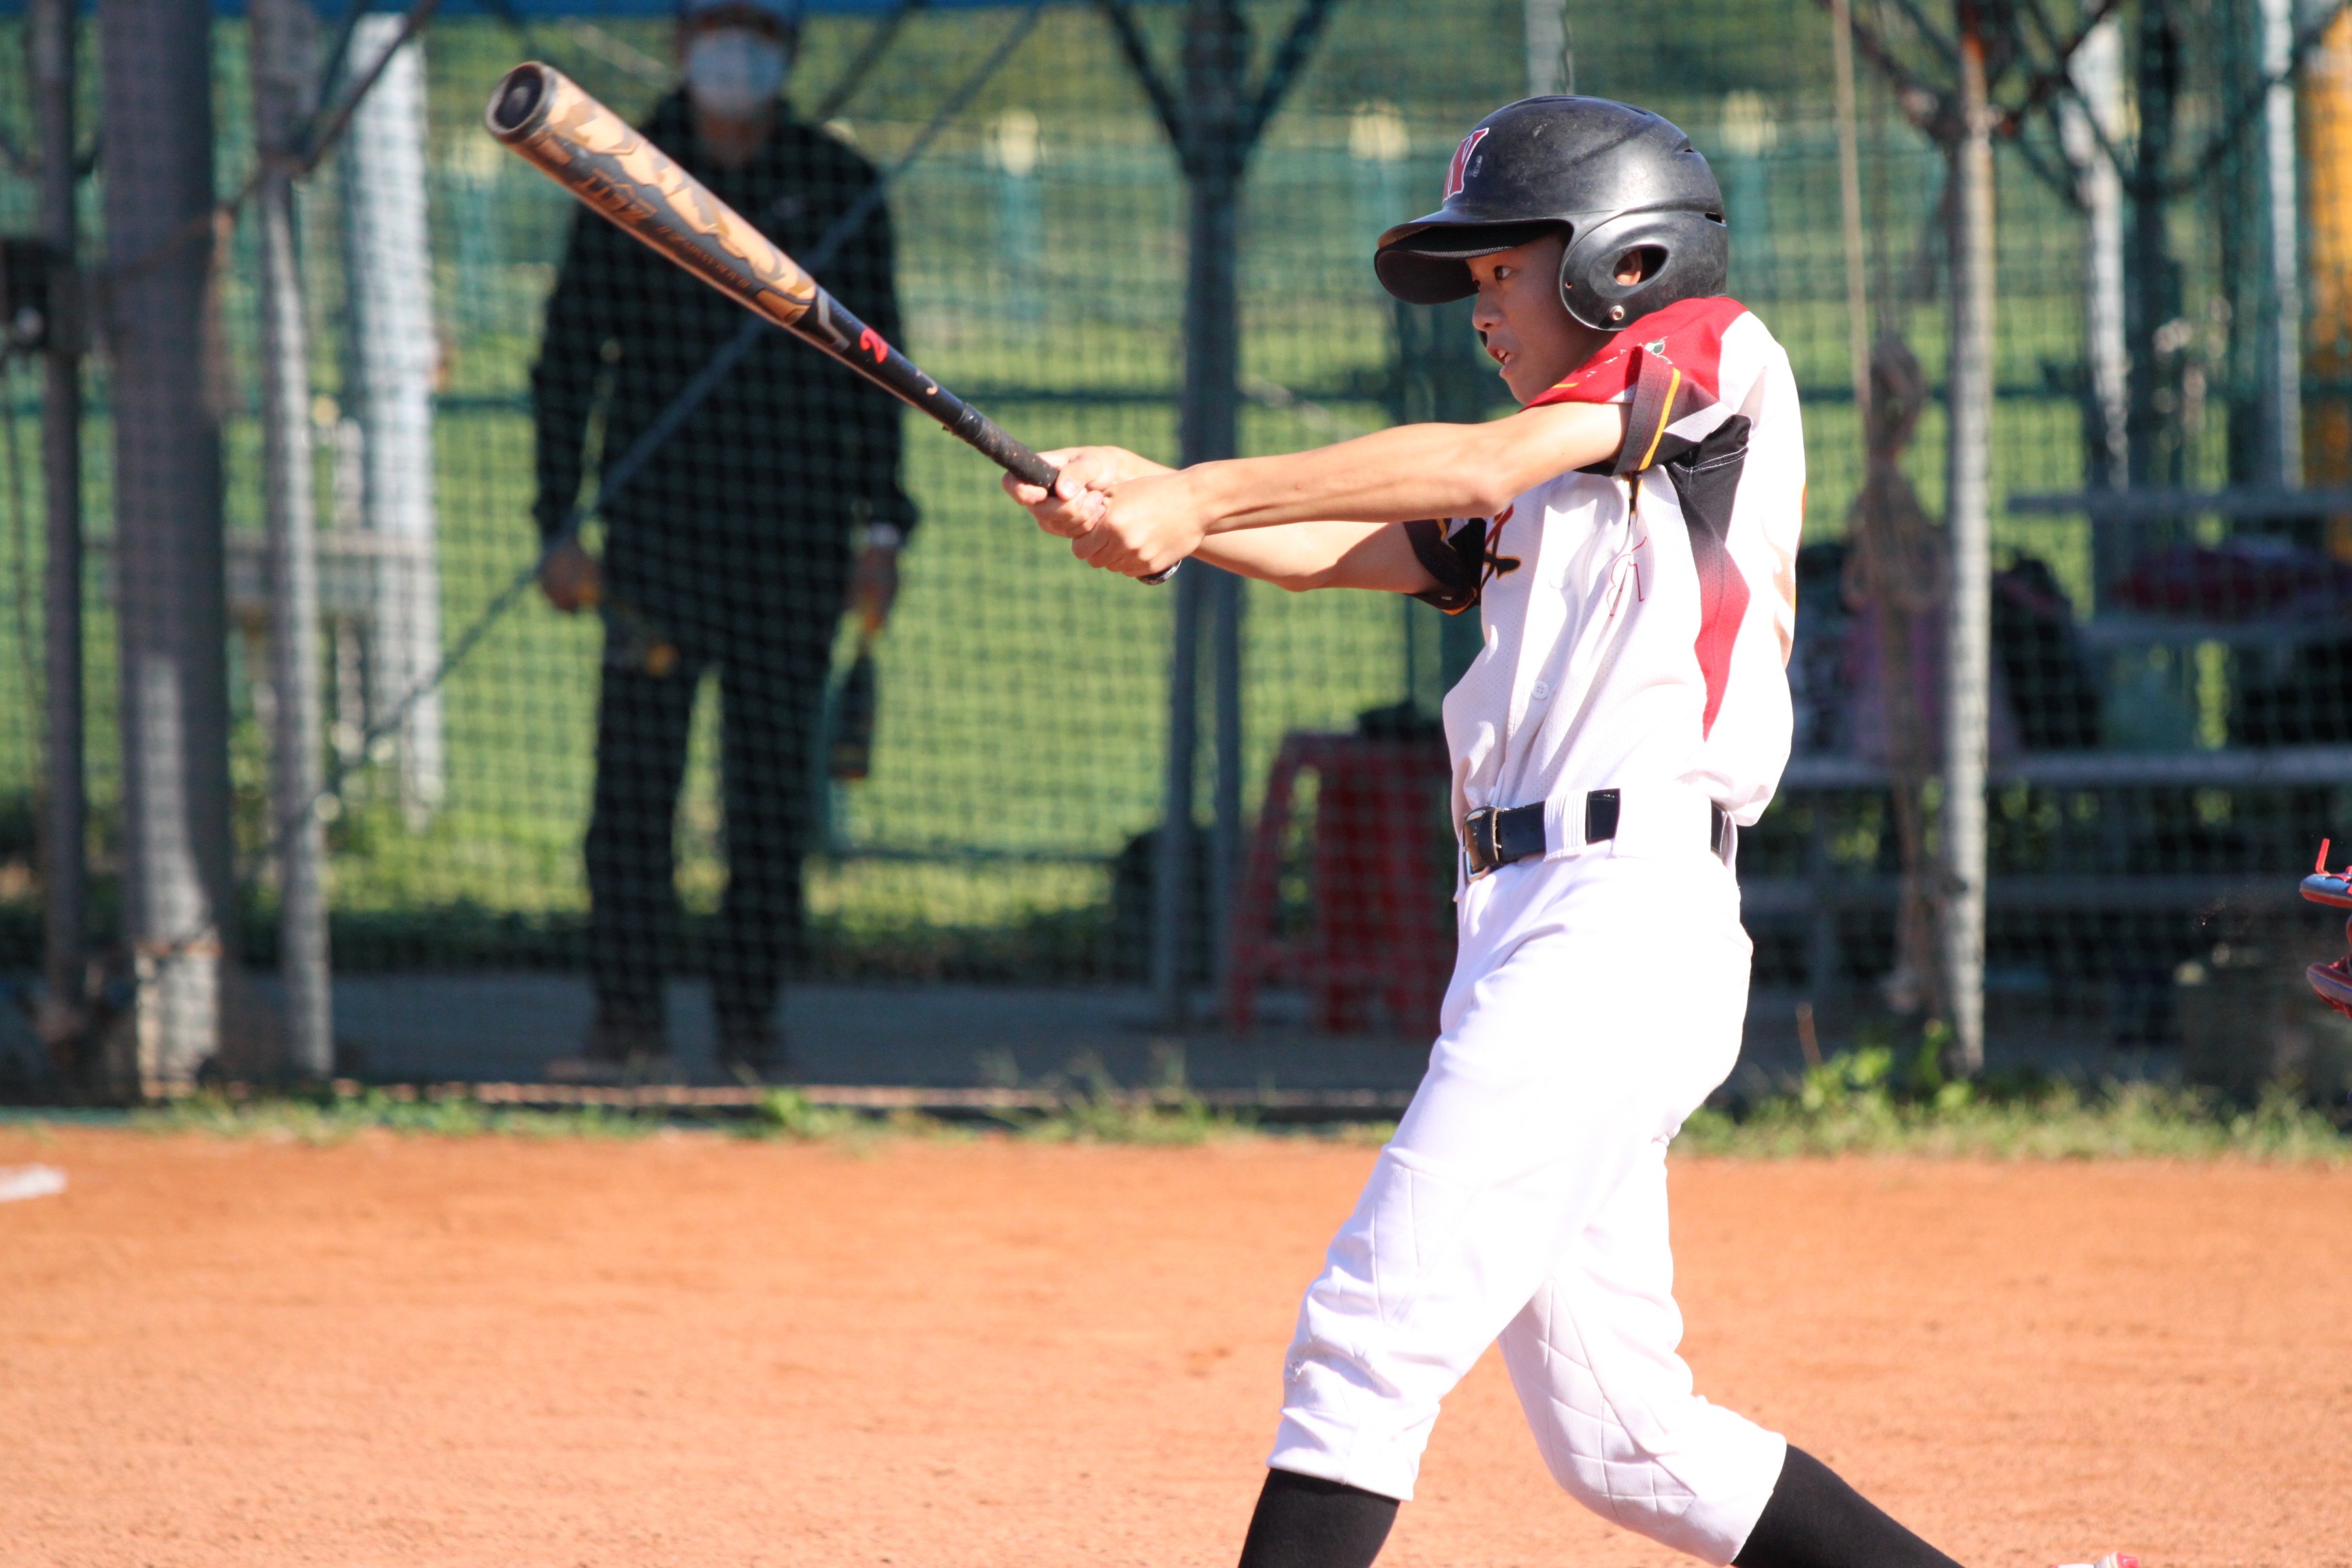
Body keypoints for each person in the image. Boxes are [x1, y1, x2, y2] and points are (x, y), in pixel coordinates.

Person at [1006, 97, 2130, 1568]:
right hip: (1531, 922)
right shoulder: (1566, 476)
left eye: (1504, 272)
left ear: (1626, 257)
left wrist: (1198, 489)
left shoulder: (1709, 353)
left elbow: (1475, 465)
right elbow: (1353, 546)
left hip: (1621, 917)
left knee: (1368, 1337)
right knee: (1626, 1443)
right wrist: (1152, 514)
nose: (1482, 309)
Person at [532, 0, 913, 1081]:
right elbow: (567, 358)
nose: (734, 49)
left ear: (789, 46)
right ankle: (627, 1022)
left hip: (797, 543)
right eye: (715, 23)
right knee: (632, 788)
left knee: (771, 796)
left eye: (758, 28)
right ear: (681, 40)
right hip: (656, 542)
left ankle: (750, 1027)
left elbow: (880, 370)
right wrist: (558, 521)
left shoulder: (837, 181)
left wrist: (882, 528)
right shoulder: (623, 174)